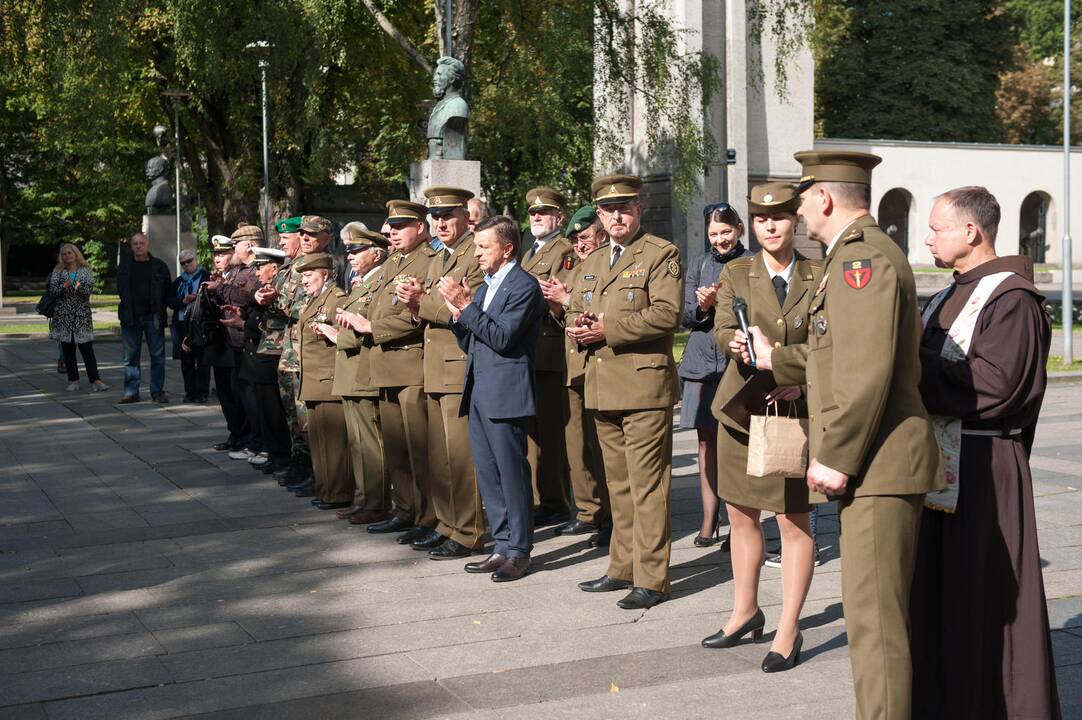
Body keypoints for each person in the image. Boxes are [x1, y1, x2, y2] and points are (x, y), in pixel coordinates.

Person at [738, 150, 941, 719]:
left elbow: (866, 368)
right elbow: (837, 351)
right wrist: (776, 356)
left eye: (802, 198)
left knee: (875, 628)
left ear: (823, 198)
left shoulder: (861, 260)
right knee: (875, 621)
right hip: (876, 465)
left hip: (877, 464)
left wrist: (837, 455)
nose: (798, 211)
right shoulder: (853, 255)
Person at [909, 186, 1062, 719]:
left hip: (984, 469)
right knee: (943, 598)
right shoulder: (944, 294)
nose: (926, 237)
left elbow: (994, 388)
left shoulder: (1011, 299)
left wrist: (910, 366)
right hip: (942, 466)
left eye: (935, 227)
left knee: (985, 600)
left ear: (970, 232)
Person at [701, 183, 822, 674]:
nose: (771, 227)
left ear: (796, 221)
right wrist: (734, 343)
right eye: (761, 220)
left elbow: (833, 341)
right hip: (741, 407)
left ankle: (788, 630)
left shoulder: (819, 274)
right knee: (741, 515)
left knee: (793, 522)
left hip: (790, 412)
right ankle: (745, 611)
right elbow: (723, 326)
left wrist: (798, 378)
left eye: (781, 218)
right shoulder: (737, 270)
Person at [569, 174, 682, 610]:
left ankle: (652, 579)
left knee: (647, 486)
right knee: (618, 485)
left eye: (626, 208)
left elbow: (667, 314)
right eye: (609, 209)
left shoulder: (660, 253)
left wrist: (607, 328)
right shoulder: (593, 260)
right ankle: (622, 566)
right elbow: (577, 310)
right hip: (602, 384)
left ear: (639, 211)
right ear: (599, 215)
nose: (618, 216)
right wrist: (578, 327)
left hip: (643, 386)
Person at [442, 215, 544, 582]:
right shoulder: (486, 286)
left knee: (512, 474)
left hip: (506, 393)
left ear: (508, 248)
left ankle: (519, 550)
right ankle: (501, 545)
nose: (477, 252)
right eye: (477, 246)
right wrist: (459, 316)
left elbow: (503, 339)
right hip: (480, 390)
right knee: (488, 474)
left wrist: (466, 309)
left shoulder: (523, 286)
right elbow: (472, 341)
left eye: (484, 246)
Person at [397, 186, 487, 560]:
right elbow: (438, 305)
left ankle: (468, 530)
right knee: (439, 455)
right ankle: (445, 523)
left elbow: (468, 307)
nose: (440, 222)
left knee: (460, 456)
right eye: (435, 217)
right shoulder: (439, 259)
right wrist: (423, 305)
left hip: (457, 366)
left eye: (448, 216)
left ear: (466, 217)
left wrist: (423, 302)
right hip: (433, 366)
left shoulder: (474, 255)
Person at [358, 200, 433, 534]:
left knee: (419, 450)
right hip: (386, 365)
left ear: (420, 226)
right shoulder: (393, 263)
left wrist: (374, 329)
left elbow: (415, 314)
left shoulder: (428, 260)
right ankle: (405, 510)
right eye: (391, 226)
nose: (392, 232)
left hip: (409, 364)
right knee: (397, 448)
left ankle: (427, 515)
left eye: (401, 226)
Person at [539, 206, 611, 548]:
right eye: (574, 240)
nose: (578, 246)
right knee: (576, 446)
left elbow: (601, 314)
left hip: (597, 366)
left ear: (601, 235)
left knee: (599, 447)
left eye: (583, 238)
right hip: (572, 364)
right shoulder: (578, 267)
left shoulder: (608, 265)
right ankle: (587, 511)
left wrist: (565, 300)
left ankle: (607, 517)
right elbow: (565, 321)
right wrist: (557, 308)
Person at [679, 202, 750, 547]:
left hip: (738, 362)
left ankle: (741, 522)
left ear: (738, 229)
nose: (720, 240)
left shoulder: (753, 262)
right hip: (701, 364)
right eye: (713, 234)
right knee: (706, 443)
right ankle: (709, 519)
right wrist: (703, 306)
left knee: (738, 443)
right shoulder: (698, 263)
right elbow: (685, 316)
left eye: (725, 232)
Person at [327, 229, 392, 522]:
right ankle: (363, 497)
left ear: (376, 253)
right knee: (357, 442)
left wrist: (336, 336)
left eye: (356, 251)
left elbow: (363, 328)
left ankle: (376, 502)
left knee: (369, 442)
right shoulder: (361, 282)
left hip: (362, 369)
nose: (350, 256)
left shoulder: (379, 281)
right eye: (349, 252)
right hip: (350, 370)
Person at [520, 186, 575, 527]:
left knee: (552, 433)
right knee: (534, 432)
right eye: (532, 214)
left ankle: (555, 499)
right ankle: (542, 498)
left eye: (543, 213)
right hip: (530, 351)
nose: (536, 218)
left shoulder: (564, 251)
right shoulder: (530, 253)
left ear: (558, 218)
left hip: (550, 350)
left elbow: (559, 298)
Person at [254, 217, 310, 488]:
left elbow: (300, 306)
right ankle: (295, 462)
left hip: (299, 350)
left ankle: (304, 466)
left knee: (302, 414)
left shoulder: (309, 267)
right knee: (289, 412)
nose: (281, 243)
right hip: (286, 348)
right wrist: (265, 299)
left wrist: (273, 300)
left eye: (286, 238)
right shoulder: (288, 269)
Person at [296, 252, 352, 508]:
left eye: (309, 275)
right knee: (319, 442)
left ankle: (338, 493)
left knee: (334, 444)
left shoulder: (336, 299)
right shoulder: (315, 300)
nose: (304, 281)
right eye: (303, 276)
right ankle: (326, 490)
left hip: (328, 380)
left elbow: (345, 334)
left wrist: (334, 333)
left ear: (326, 274)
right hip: (314, 381)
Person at [239, 247, 290, 470]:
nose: (257, 273)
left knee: (274, 411)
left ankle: (279, 455)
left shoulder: (280, 288)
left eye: (261, 267)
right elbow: (248, 297)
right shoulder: (264, 289)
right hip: (260, 354)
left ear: (274, 267)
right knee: (264, 409)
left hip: (274, 355)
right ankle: (273, 453)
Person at [204, 236, 248, 451]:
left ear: (233, 255)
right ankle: (234, 433)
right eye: (216, 255)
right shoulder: (219, 277)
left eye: (223, 254)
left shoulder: (238, 276)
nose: (218, 259)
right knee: (224, 393)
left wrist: (218, 288)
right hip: (219, 343)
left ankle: (242, 435)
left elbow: (238, 300)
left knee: (235, 392)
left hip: (234, 342)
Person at [116, 232, 170, 403]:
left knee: (158, 357)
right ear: (131, 246)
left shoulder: (159, 266)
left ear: (147, 245)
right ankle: (131, 392)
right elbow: (121, 290)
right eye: (135, 243)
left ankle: (157, 392)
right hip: (130, 317)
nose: (138, 246)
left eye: (141, 243)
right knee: (130, 358)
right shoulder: (124, 266)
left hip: (153, 317)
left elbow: (167, 290)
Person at [48, 243, 108, 393]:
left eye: (70, 253)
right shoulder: (58, 271)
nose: (67, 256)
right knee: (68, 351)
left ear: (76, 254)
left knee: (87, 350)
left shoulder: (85, 270)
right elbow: (52, 291)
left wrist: (78, 287)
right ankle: (73, 381)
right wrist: (64, 286)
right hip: (64, 317)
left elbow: (88, 290)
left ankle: (96, 381)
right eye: (64, 254)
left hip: (81, 316)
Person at [168, 249, 209, 402]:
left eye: (189, 261)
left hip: (200, 323)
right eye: (183, 263)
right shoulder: (179, 281)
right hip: (182, 324)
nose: (186, 265)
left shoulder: (206, 276)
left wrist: (198, 299)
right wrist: (183, 301)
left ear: (195, 259)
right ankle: (190, 392)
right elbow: (170, 301)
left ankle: (202, 392)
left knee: (202, 360)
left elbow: (212, 297)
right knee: (187, 361)